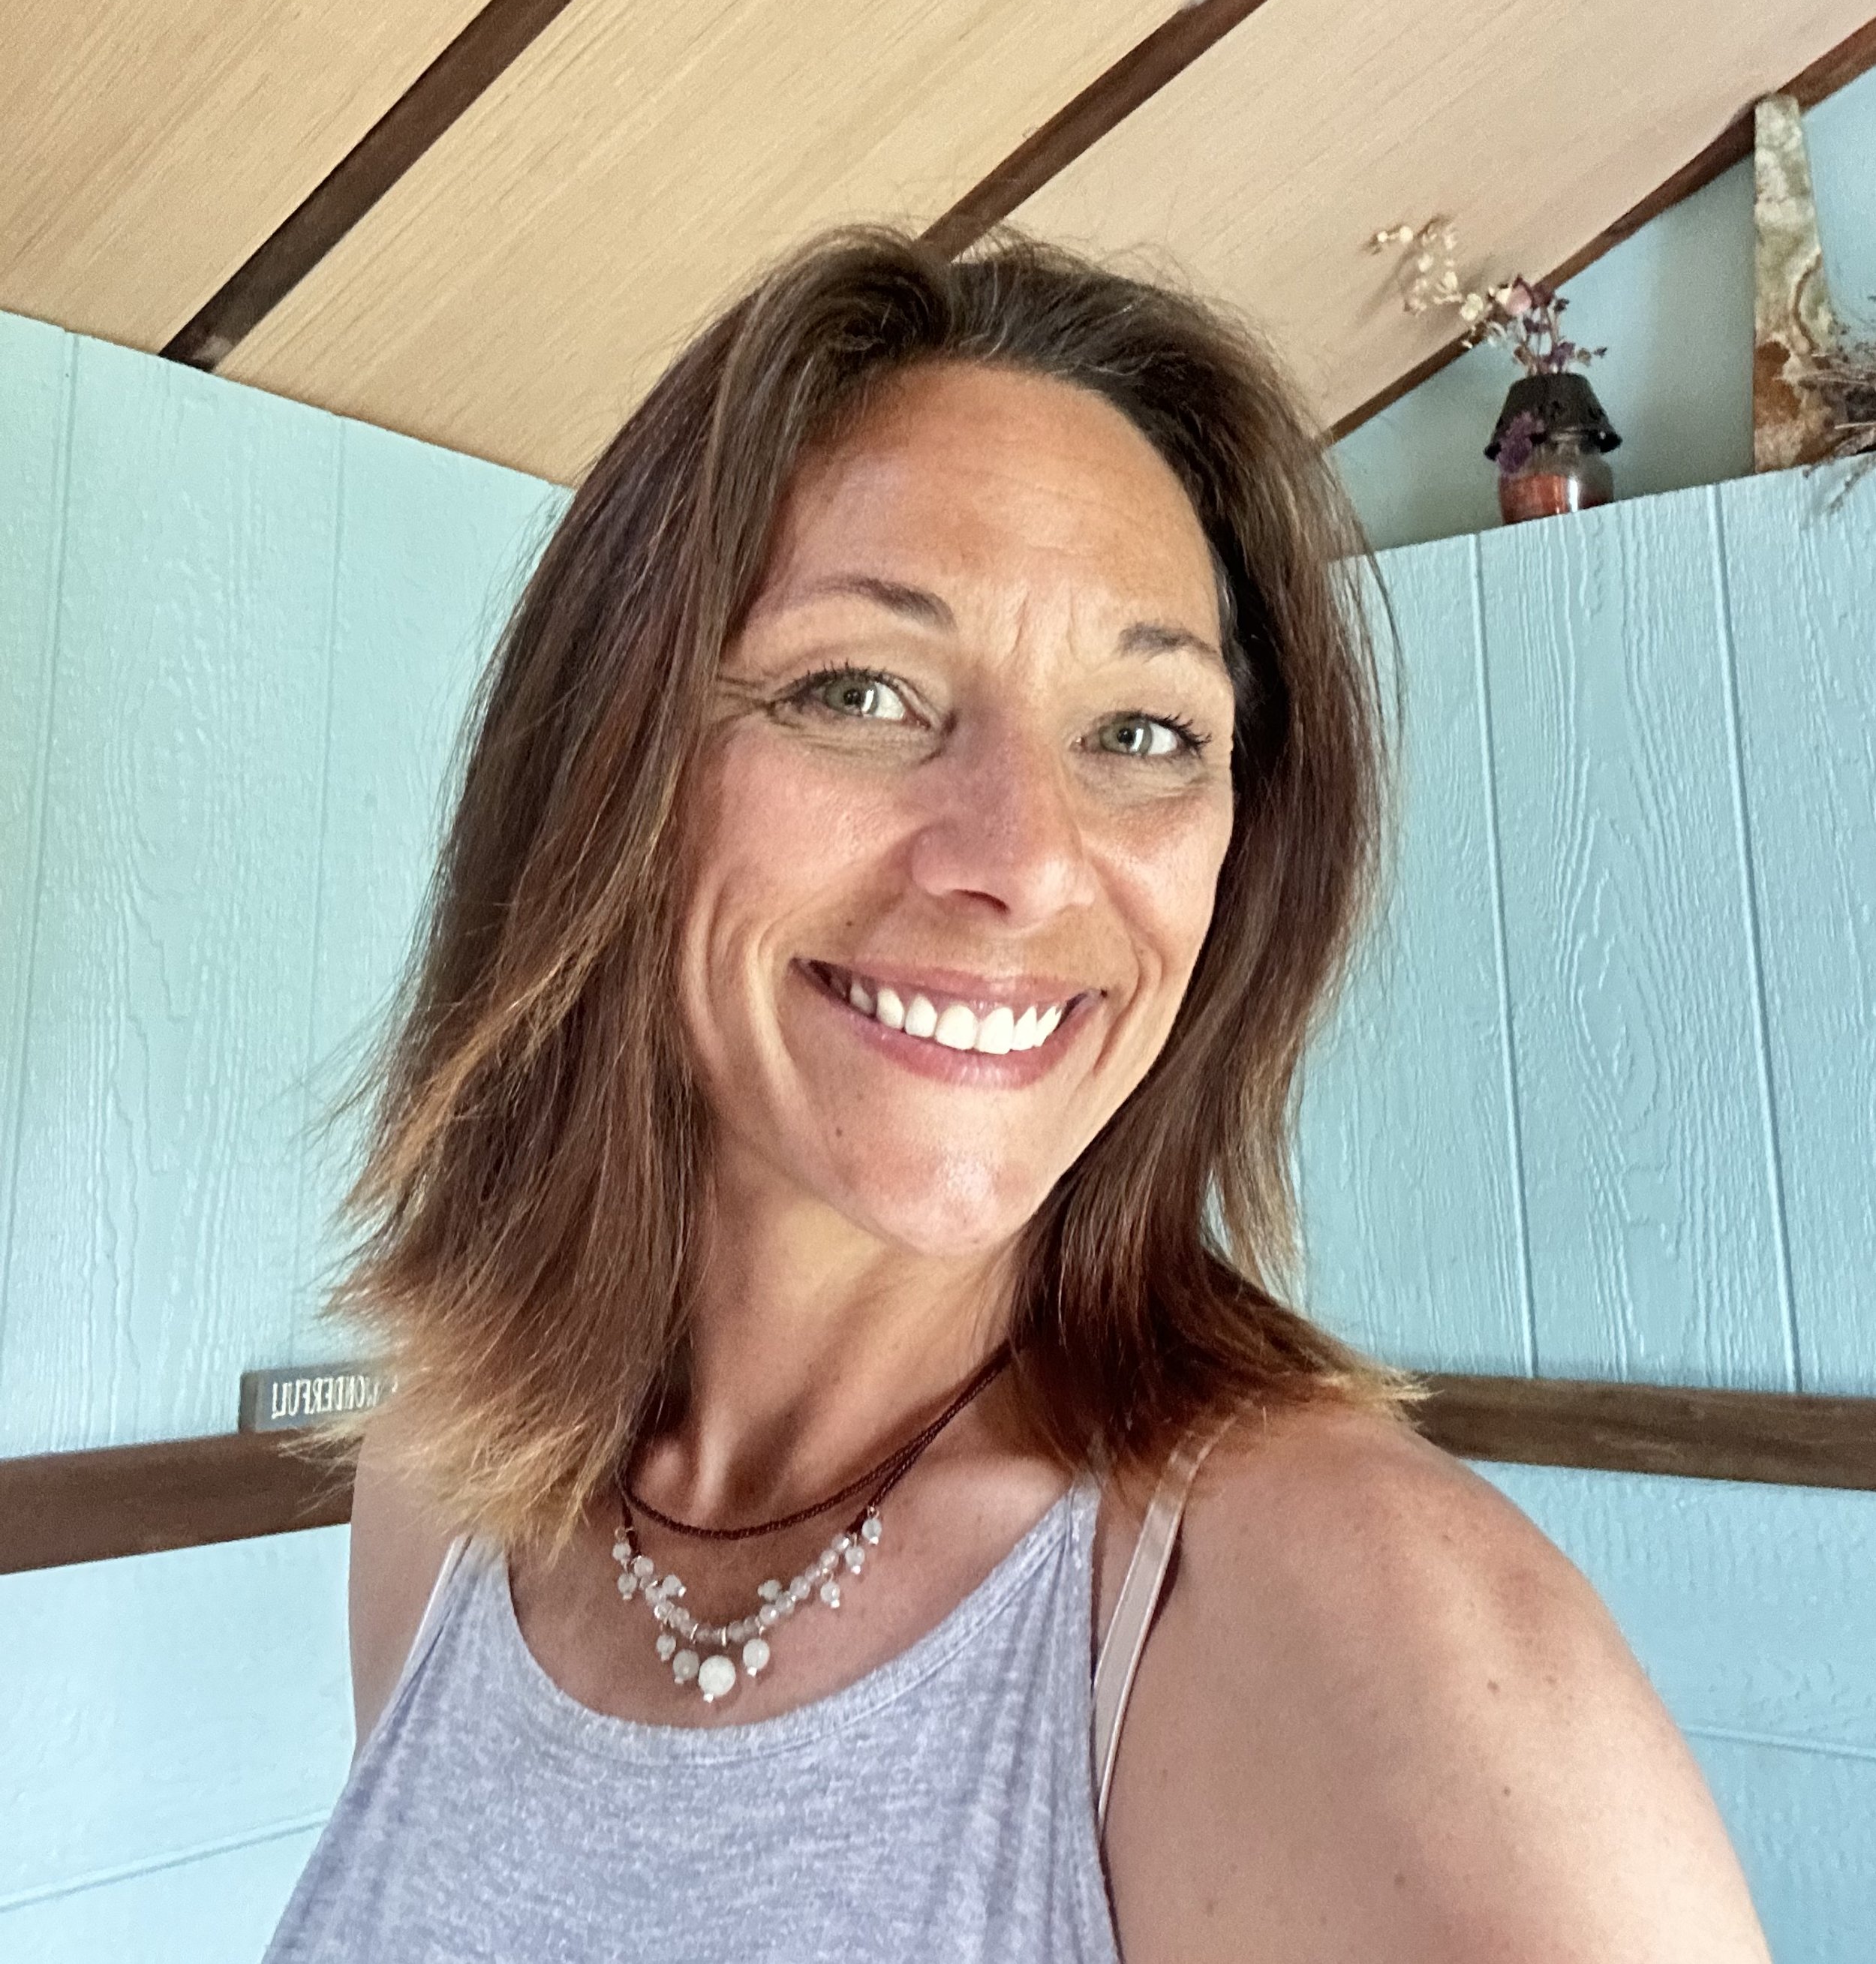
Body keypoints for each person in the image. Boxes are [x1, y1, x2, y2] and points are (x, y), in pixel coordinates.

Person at [266, 227, 1769, 1962]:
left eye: (1141, 730)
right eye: (862, 691)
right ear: (608, 768)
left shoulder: (1390, 1650)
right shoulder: (445, 1500)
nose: (1023, 863)